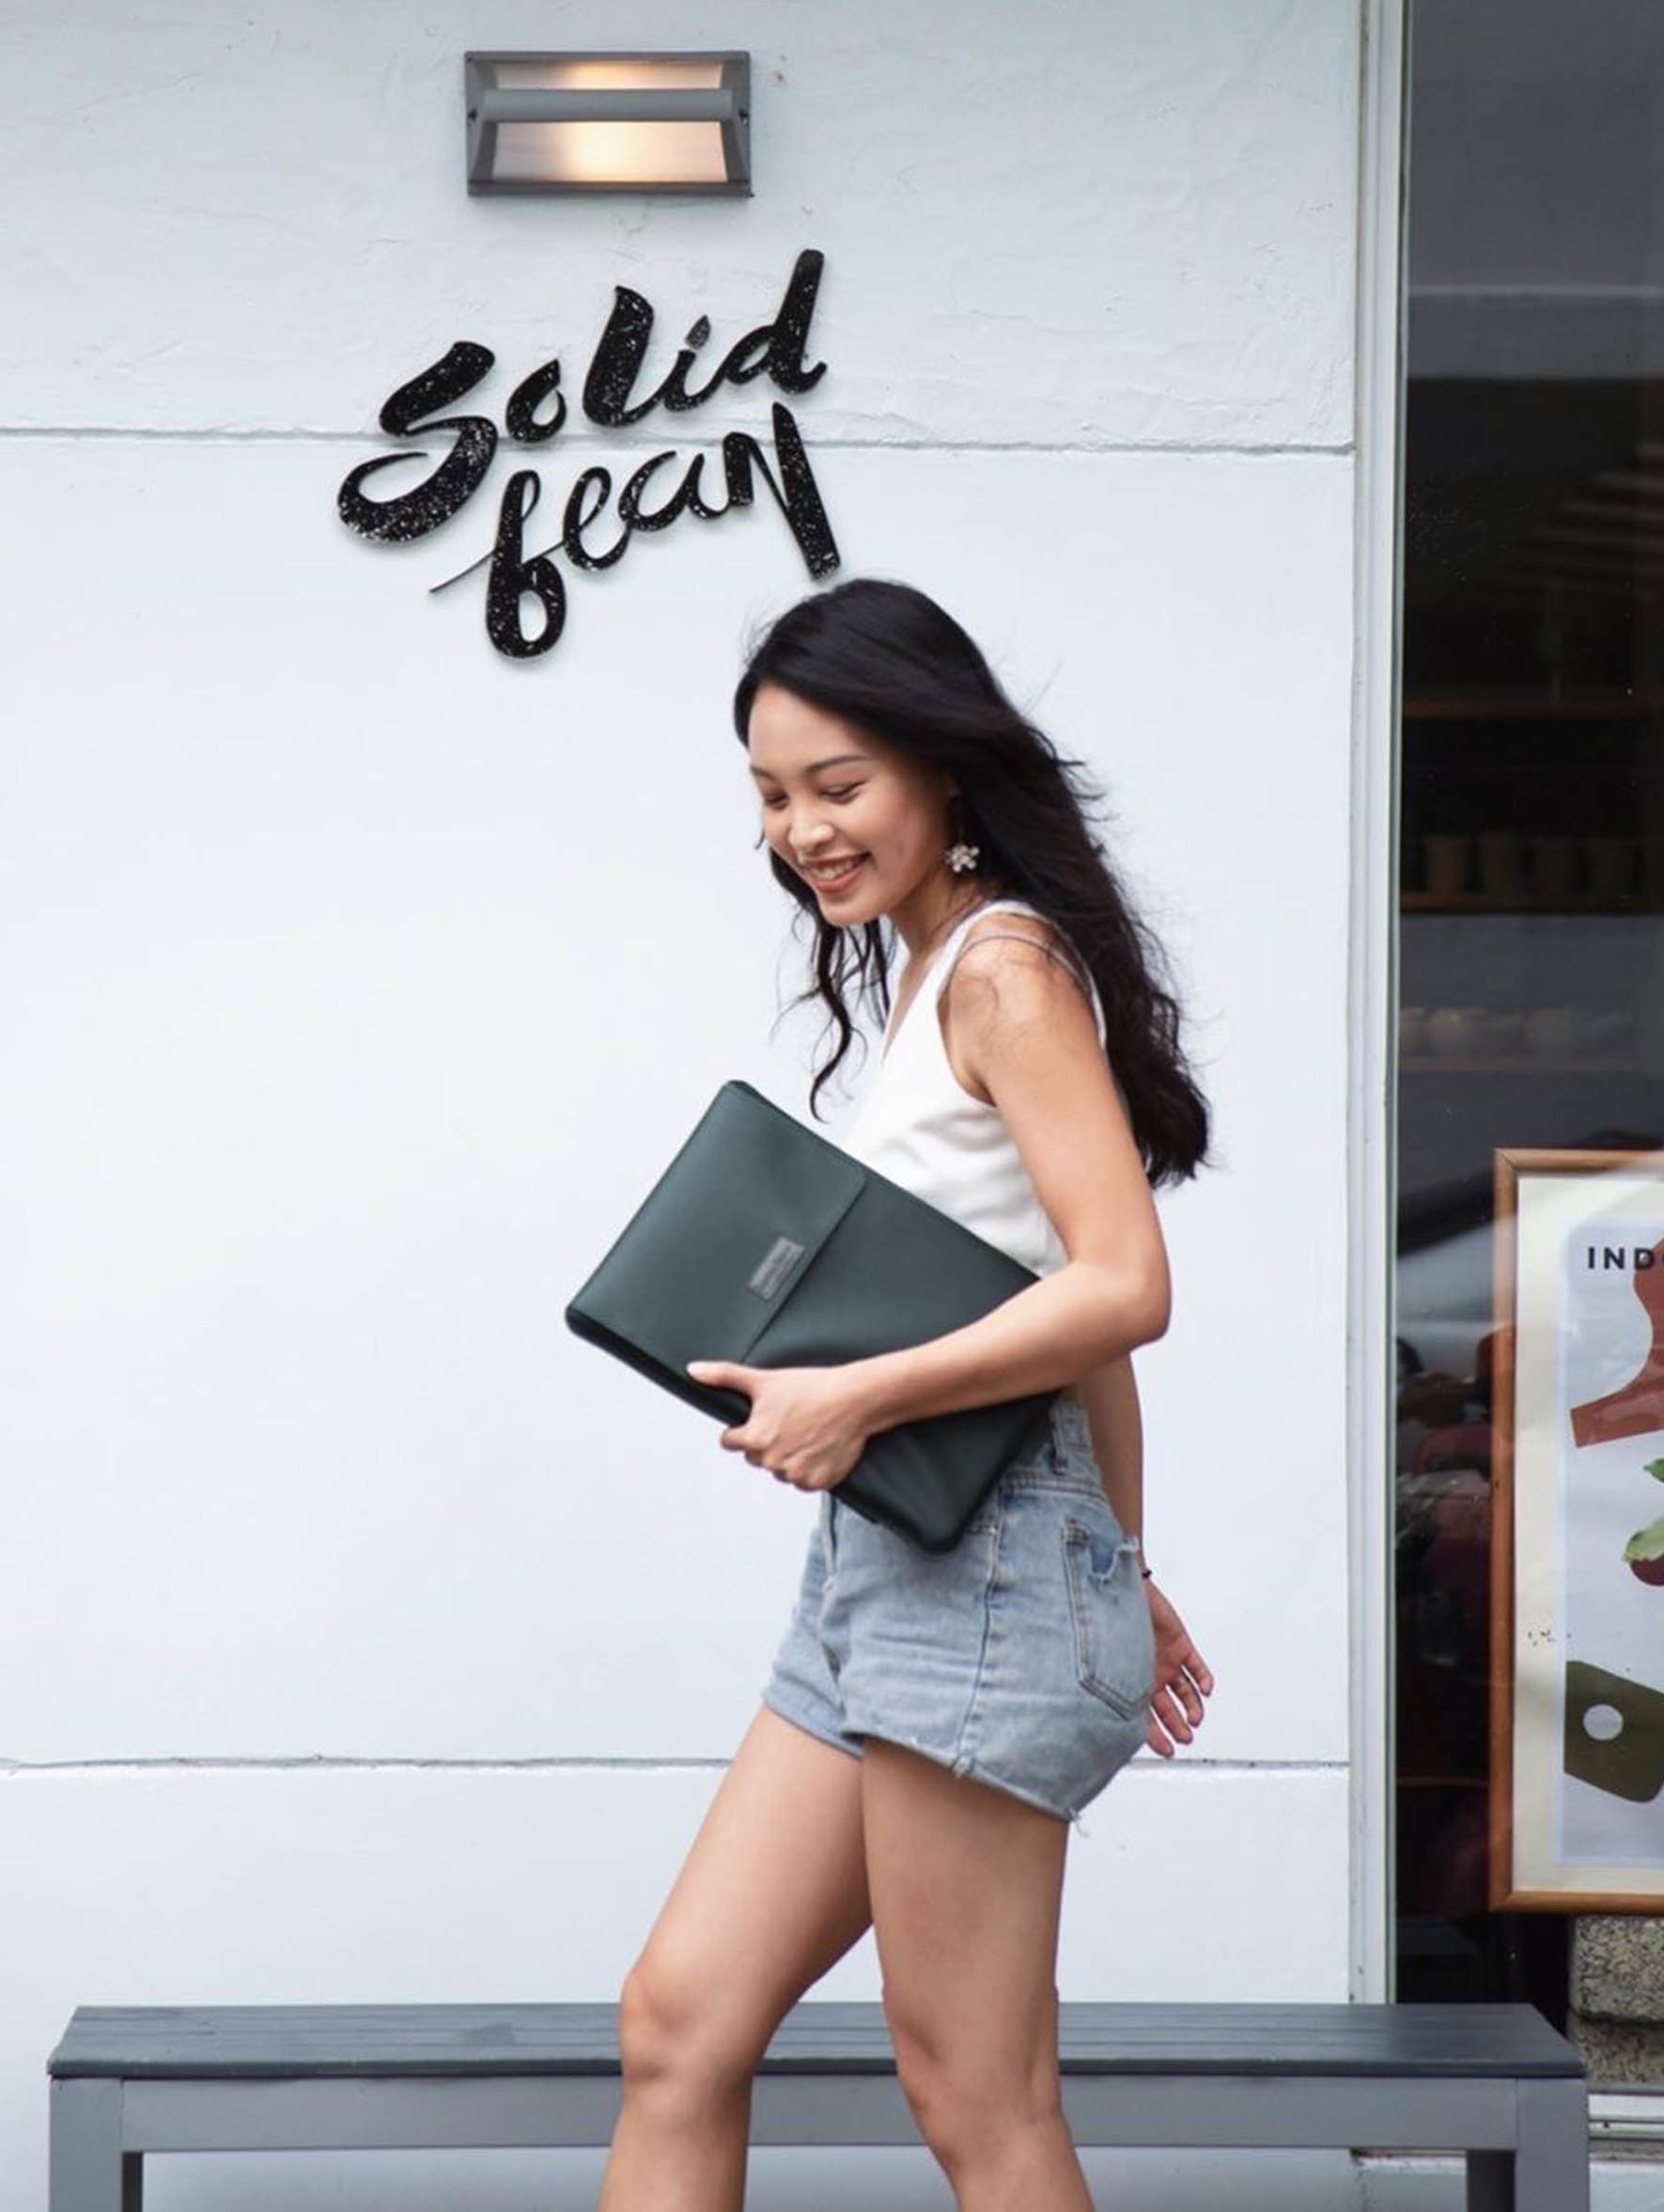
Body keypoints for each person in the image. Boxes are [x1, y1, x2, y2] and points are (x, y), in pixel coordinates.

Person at [598, 577, 1216, 2212]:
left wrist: (858, 1393)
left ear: (942, 764)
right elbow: (1070, 1319)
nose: (801, 830)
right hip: (902, 1564)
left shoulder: (1004, 971)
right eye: (771, 794)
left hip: (982, 1568)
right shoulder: (934, 971)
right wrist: (1122, 1563)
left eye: (838, 784)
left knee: (976, 2098)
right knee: (678, 2025)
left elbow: (1125, 1286)